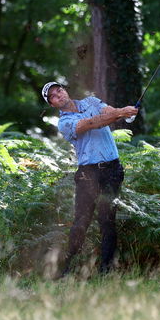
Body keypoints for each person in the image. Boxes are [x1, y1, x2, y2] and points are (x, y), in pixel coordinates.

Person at [41, 81, 138, 276]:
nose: (58, 94)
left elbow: (110, 112)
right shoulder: (65, 123)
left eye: (59, 89)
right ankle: (67, 269)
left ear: (65, 90)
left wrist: (124, 112)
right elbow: (94, 123)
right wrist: (121, 112)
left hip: (112, 170)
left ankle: (106, 271)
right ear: (52, 104)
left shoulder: (92, 102)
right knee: (81, 222)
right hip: (88, 174)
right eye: (53, 95)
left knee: (107, 219)